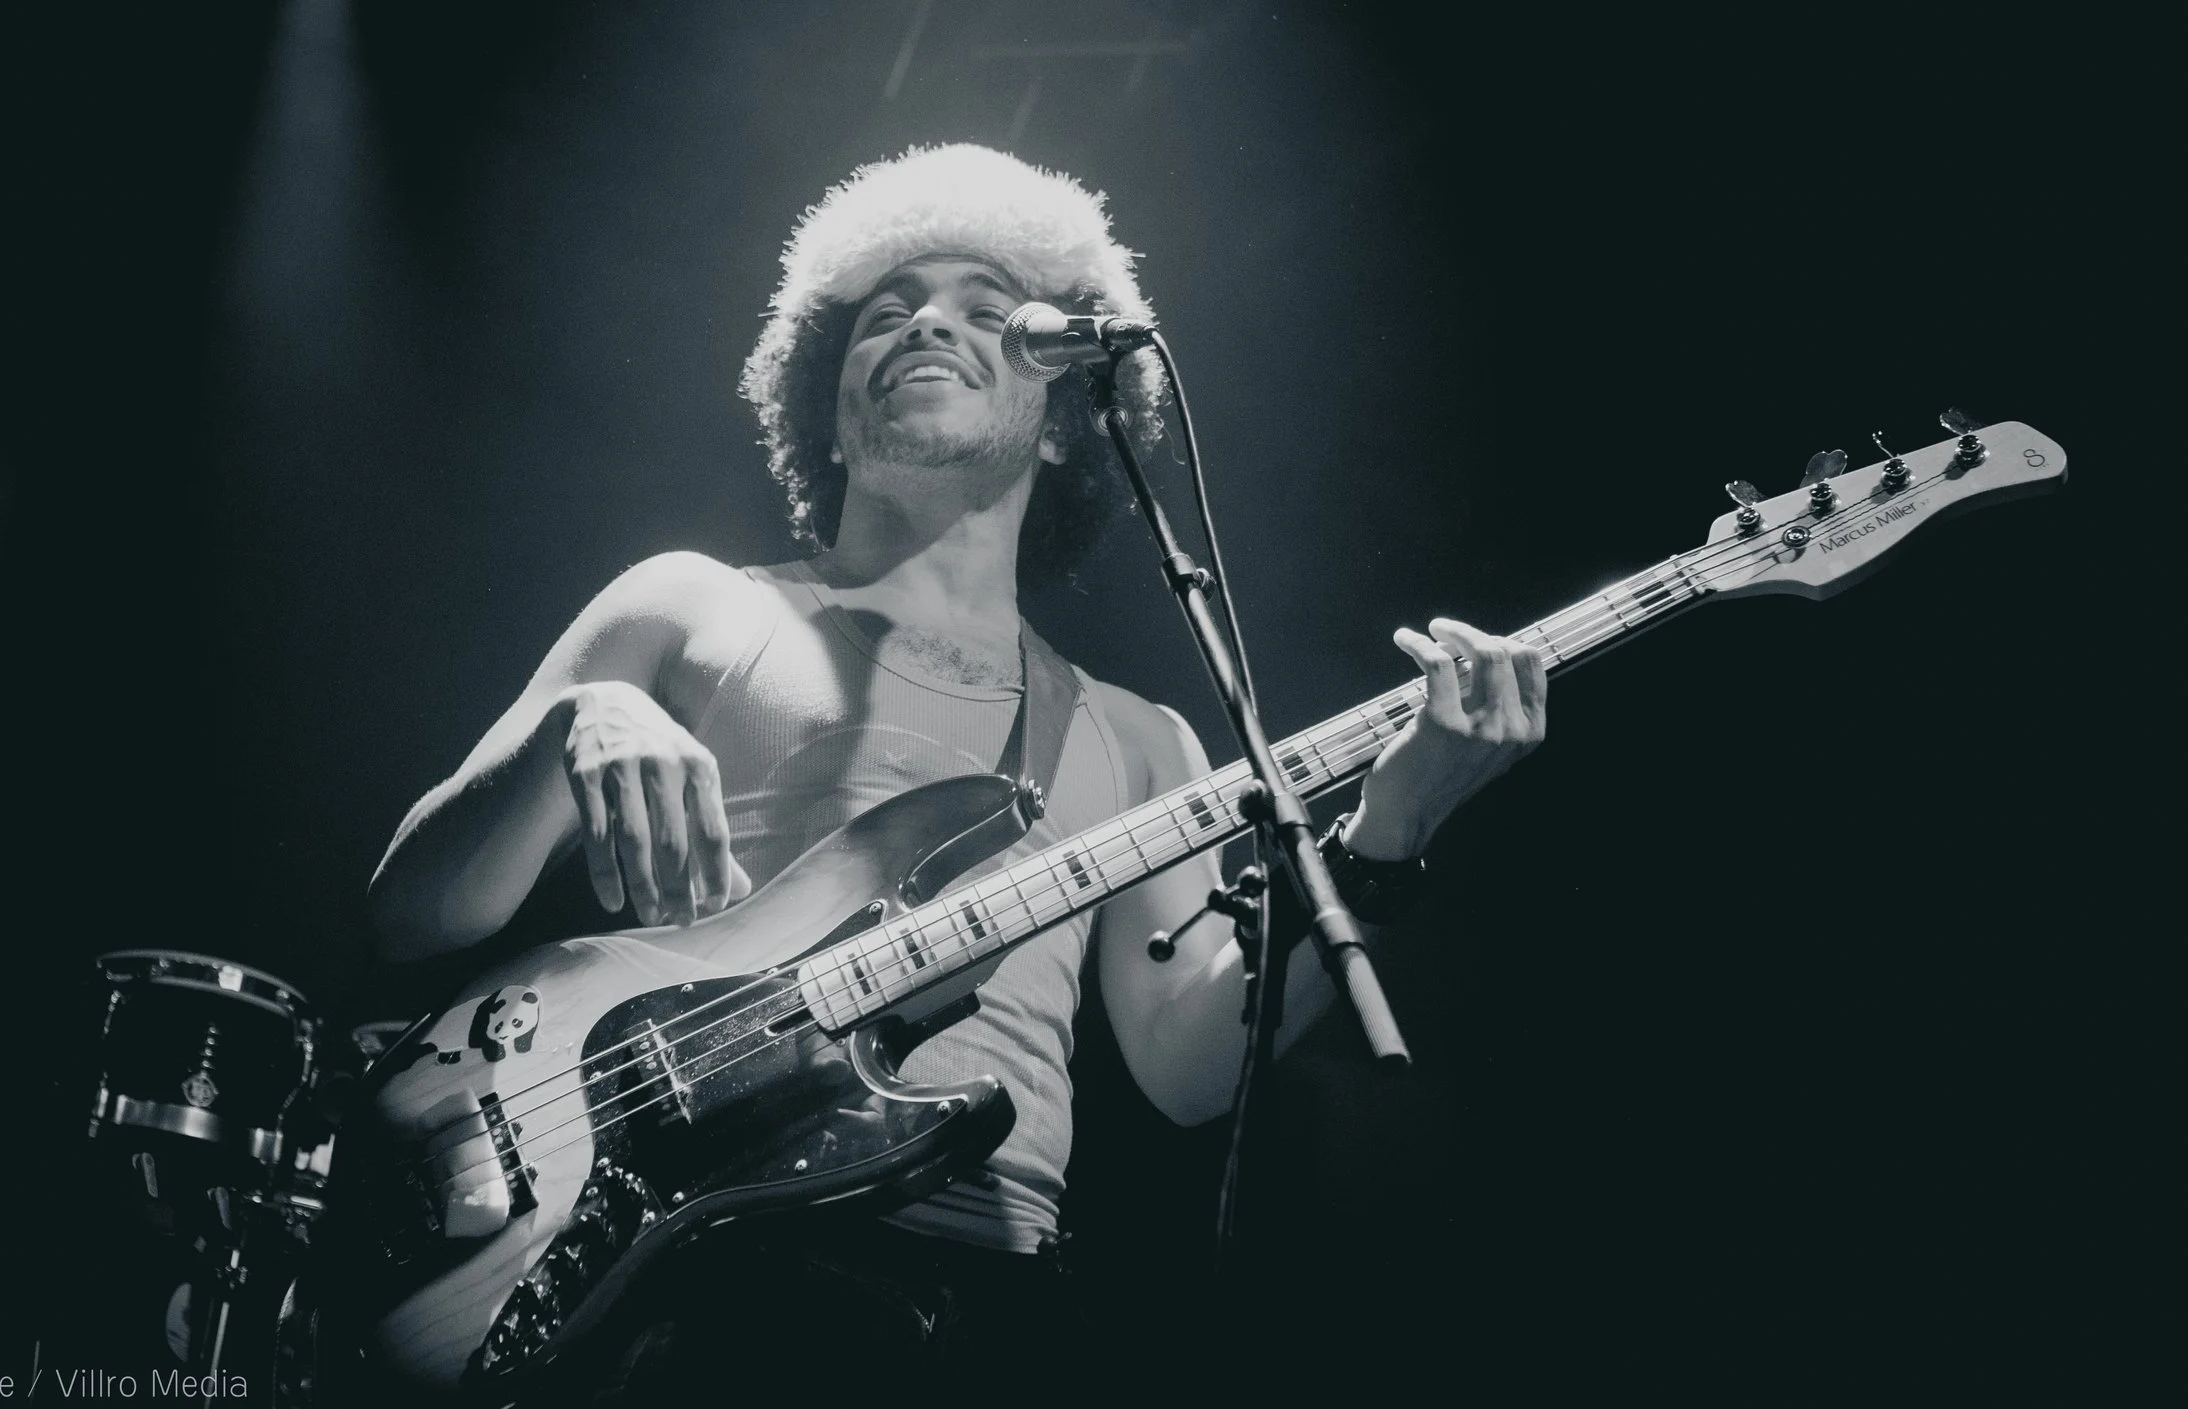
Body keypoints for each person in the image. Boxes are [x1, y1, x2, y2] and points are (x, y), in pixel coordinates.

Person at [366, 143, 1548, 1402]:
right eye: (889, 309)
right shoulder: (688, 605)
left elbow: (1190, 1069)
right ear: (831, 404)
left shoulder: (1140, 738)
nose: (930, 319)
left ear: (1061, 426)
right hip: (667, 1275)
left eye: (990, 311)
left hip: (973, 1309)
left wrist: (1394, 824)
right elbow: (413, 909)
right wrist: (579, 722)